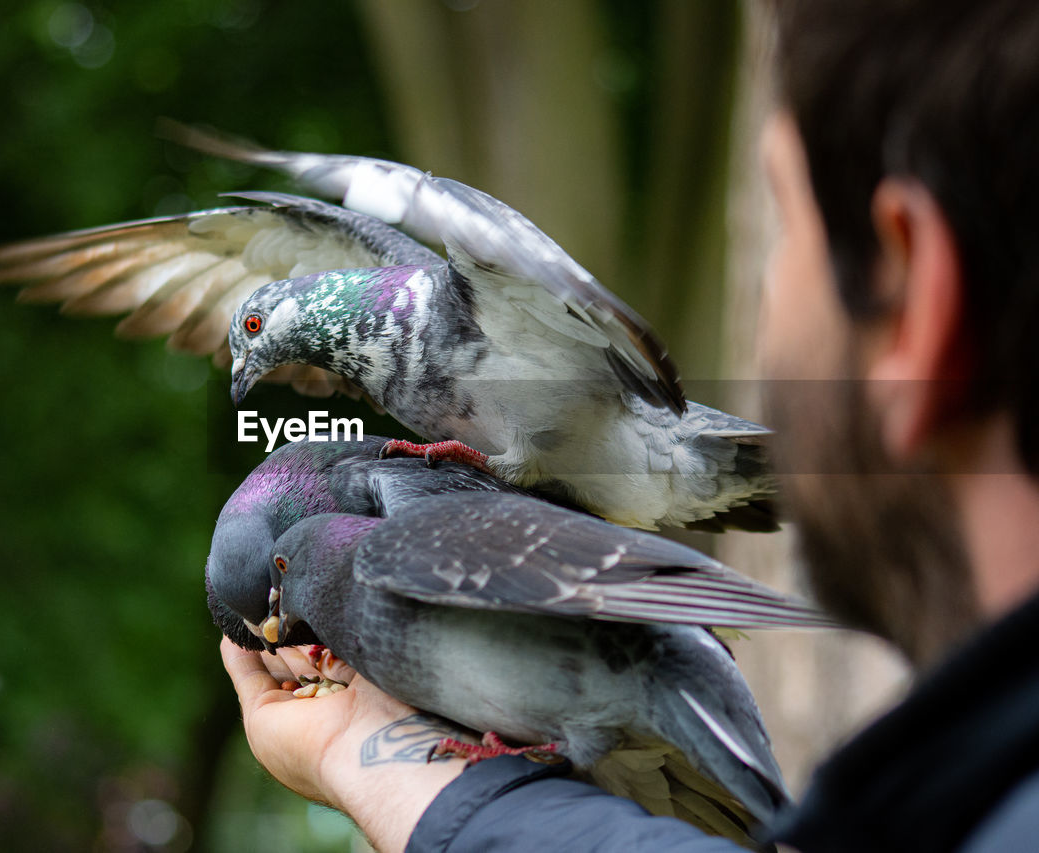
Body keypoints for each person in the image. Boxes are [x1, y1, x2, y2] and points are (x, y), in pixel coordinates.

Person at [220, 0, 1039, 849]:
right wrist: (373, 761)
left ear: (917, 284)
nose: (759, 299)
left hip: (621, 449)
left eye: (786, 224)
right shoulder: (975, 799)